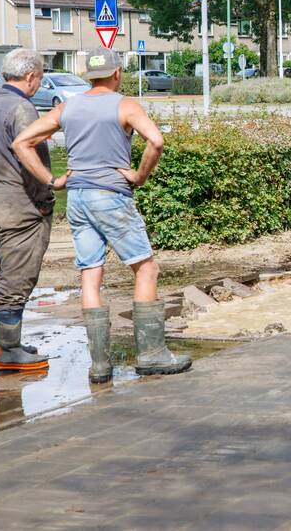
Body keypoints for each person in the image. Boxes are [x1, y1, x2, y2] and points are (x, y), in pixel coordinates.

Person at [13, 46, 190, 382]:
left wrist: (52, 180)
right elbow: (156, 141)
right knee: (146, 268)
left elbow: (22, 142)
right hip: (110, 195)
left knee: (91, 273)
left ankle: (99, 365)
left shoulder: (68, 107)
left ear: (88, 75)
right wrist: (138, 176)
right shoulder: (125, 105)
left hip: (77, 198)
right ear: (118, 73)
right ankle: (151, 354)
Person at [0, 48, 64, 372]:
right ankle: (8, 351)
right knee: (17, 279)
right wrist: (45, 197)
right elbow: (31, 159)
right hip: (22, 206)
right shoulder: (22, 109)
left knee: (7, 273)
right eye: (40, 76)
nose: (39, 82)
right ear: (30, 77)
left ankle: (9, 345)